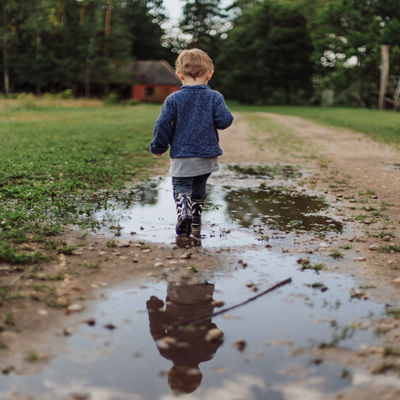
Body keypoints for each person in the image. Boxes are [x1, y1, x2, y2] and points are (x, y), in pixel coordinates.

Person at [150, 48, 233, 237]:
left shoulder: (173, 99)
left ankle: (184, 212)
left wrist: (159, 146)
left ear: (179, 75)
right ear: (209, 74)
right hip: (207, 154)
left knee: (181, 185)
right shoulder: (215, 97)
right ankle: (195, 219)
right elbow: (225, 121)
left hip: (183, 154)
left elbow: (162, 124)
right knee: (199, 186)